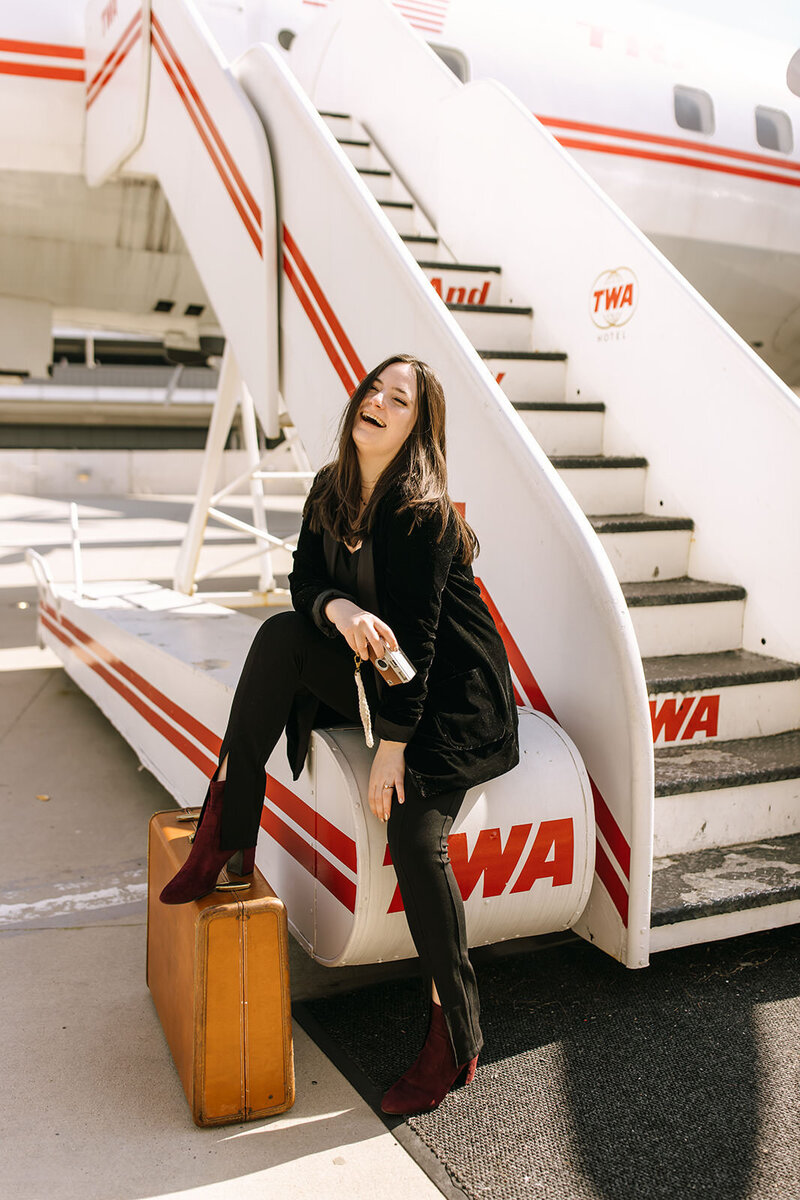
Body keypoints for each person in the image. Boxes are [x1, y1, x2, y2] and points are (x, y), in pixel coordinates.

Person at [159, 353, 520, 1114]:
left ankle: (457, 1033)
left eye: (401, 400)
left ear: (417, 430)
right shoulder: (331, 488)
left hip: (450, 696)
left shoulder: (423, 512)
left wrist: (392, 748)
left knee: (415, 840)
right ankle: (229, 827)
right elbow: (300, 580)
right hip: (377, 671)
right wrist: (337, 611)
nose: (379, 403)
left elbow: (418, 650)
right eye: (375, 390)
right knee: (281, 637)